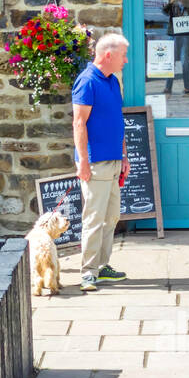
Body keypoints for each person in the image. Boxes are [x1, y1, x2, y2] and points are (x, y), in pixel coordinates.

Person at [71, 32, 131, 293]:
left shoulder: (113, 81)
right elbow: (79, 123)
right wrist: (83, 161)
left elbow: (117, 121)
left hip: (114, 160)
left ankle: (103, 266)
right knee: (94, 219)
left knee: (111, 216)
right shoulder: (86, 82)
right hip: (95, 163)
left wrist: (125, 155)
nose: (126, 61)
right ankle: (87, 273)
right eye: (123, 55)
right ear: (109, 54)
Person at [162, 0, 189, 96]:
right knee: (171, 61)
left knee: (184, 61)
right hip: (173, 35)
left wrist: (187, 1)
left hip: (185, 36)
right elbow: (164, 11)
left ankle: (188, 88)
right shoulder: (173, 5)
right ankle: (168, 87)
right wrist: (173, 0)